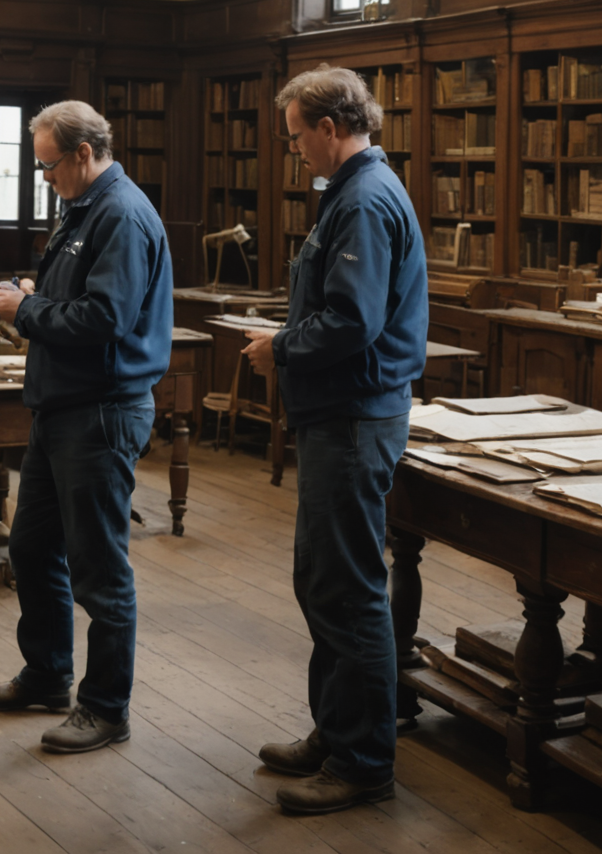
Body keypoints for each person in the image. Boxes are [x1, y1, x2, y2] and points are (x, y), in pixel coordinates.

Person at [240, 64, 427, 814]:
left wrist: (278, 348)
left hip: (354, 418)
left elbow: (353, 323)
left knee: (349, 592)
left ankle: (362, 763)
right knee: (322, 582)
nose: (296, 153)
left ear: (329, 127)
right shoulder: (349, 194)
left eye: (296, 140)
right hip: (339, 416)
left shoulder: (366, 200)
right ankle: (336, 728)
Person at [0, 100, 171, 754]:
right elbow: (83, 302)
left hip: (99, 411)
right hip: (60, 407)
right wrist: (40, 296)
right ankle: (47, 674)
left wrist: (27, 308)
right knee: (32, 549)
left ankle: (106, 707)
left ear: (83, 154)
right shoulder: (86, 209)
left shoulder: (120, 214)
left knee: (99, 570)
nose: (46, 178)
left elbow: (105, 321)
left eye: (49, 165)